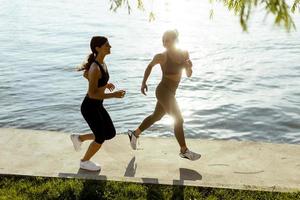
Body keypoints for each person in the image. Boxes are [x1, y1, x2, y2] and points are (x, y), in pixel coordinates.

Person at [127, 30, 200, 161]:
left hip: (171, 92)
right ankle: (184, 150)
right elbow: (149, 67)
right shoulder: (162, 56)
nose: (164, 42)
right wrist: (143, 83)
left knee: (156, 116)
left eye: (167, 40)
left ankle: (134, 134)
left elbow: (188, 74)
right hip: (163, 91)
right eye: (163, 40)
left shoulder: (184, 53)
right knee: (179, 119)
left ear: (175, 40)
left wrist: (189, 67)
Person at [71, 36, 126, 171]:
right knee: (100, 137)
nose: (110, 47)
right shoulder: (95, 67)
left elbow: (87, 76)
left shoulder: (102, 64)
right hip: (90, 107)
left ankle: (79, 138)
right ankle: (84, 161)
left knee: (110, 133)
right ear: (98, 48)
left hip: (97, 106)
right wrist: (114, 95)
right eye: (107, 45)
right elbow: (92, 94)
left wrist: (105, 84)